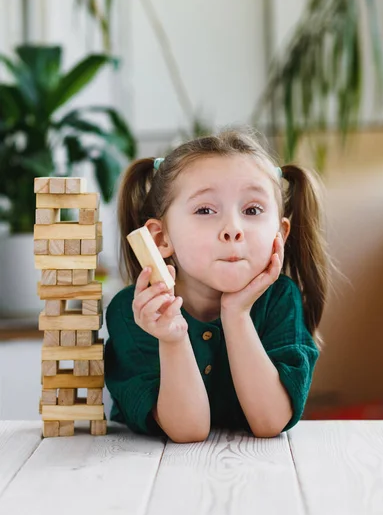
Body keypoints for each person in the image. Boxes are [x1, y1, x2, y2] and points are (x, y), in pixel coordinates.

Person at [104, 126, 332, 443]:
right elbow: (187, 430)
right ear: (161, 238)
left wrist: (236, 313)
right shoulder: (135, 313)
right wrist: (172, 339)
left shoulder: (281, 299)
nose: (232, 229)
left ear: (279, 235)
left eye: (252, 210)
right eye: (205, 210)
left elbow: (270, 422)